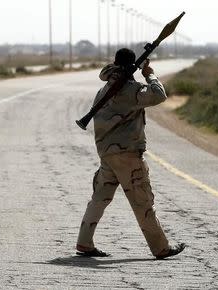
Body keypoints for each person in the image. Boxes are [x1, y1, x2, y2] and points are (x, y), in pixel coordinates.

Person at [75, 48, 185, 259]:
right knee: (143, 201)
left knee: (99, 198)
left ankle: (84, 242)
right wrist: (149, 74)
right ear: (132, 65)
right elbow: (159, 95)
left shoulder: (106, 89)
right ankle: (161, 248)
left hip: (107, 154)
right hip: (128, 156)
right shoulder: (130, 90)